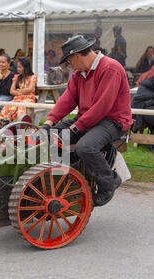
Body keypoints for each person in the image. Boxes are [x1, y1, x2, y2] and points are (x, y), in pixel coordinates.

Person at [42, 35, 132, 206]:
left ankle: (109, 182)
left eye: (69, 62)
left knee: (86, 147)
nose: (70, 66)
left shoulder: (110, 68)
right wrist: (49, 122)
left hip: (113, 121)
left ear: (76, 55)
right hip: (89, 118)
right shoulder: (79, 74)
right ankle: (67, 179)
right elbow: (66, 100)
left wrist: (77, 127)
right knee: (51, 136)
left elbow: (102, 106)